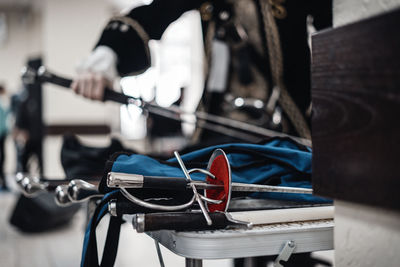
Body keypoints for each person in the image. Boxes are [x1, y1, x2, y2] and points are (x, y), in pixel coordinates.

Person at [71, 0, 332, 141]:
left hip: (289, 132)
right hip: (218, 131)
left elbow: (340, 24)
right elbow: (155, 14)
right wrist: (106, 55)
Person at [0, 84, 9, 189]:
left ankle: (3, 181)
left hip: (3, 134)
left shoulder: (3, 103)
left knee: (3, 158)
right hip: (1, 134)